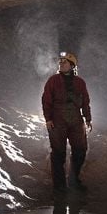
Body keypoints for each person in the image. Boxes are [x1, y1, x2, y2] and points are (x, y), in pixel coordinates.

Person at [41, 51, 92, 192]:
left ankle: (73, 180)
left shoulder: (80, 82)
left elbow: (85, 101)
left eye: (65, 62)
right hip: (58, 119)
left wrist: (88, 118)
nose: (61, 64)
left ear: (72, 65)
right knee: (58, 152)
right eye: (60, 62)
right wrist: (48, 119)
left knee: (80, 150)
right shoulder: (53, 80)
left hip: (76, 119)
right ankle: (59, 185)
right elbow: (46, 100)